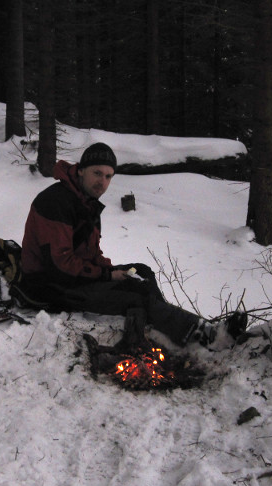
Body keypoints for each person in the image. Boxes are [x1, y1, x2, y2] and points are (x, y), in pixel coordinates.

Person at [17, 142, 230, 349]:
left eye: (108, 176)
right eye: (97, 173)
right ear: (81, 171)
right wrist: (107, 276)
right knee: (137, 298)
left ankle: (166, 327)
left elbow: (90, 253)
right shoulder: (56, 202)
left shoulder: (85, 201)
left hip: (71, 279)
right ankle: (206, 335)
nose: (103, 182)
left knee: (141, 273)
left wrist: (113, 270)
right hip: (49, 287)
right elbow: (60, 264)